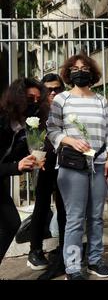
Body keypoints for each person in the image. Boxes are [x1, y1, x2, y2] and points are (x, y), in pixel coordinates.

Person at [47, 54, 108, 280]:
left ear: (92, 72)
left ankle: (96, 261)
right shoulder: (62, 100)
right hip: (72, 166)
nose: (80, 71)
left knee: (96, 217)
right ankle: (73, 268)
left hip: (98, 164)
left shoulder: (101, 100)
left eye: (84, 67)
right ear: (69, 73)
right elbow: (52, 130)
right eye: (75, 68)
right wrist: (71, 140)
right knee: (75, 218)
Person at [0, 78, 48, 266]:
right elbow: (13, 164)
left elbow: (18, 156)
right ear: (17, 97)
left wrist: (33, 159)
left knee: (12, 223)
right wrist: (15, 167)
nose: (34, 103)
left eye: (37, 100)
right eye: (30, 98)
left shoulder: (25, 126)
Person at [26, 73, 67, 280]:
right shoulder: (35, 110)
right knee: (40, 206)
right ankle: (35, 250)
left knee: (63, 208)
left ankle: (63, 248)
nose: (53, 92)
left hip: (63, 165)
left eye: (57, 88)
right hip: (42, 165)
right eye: (49, 89)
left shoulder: (66, 108)